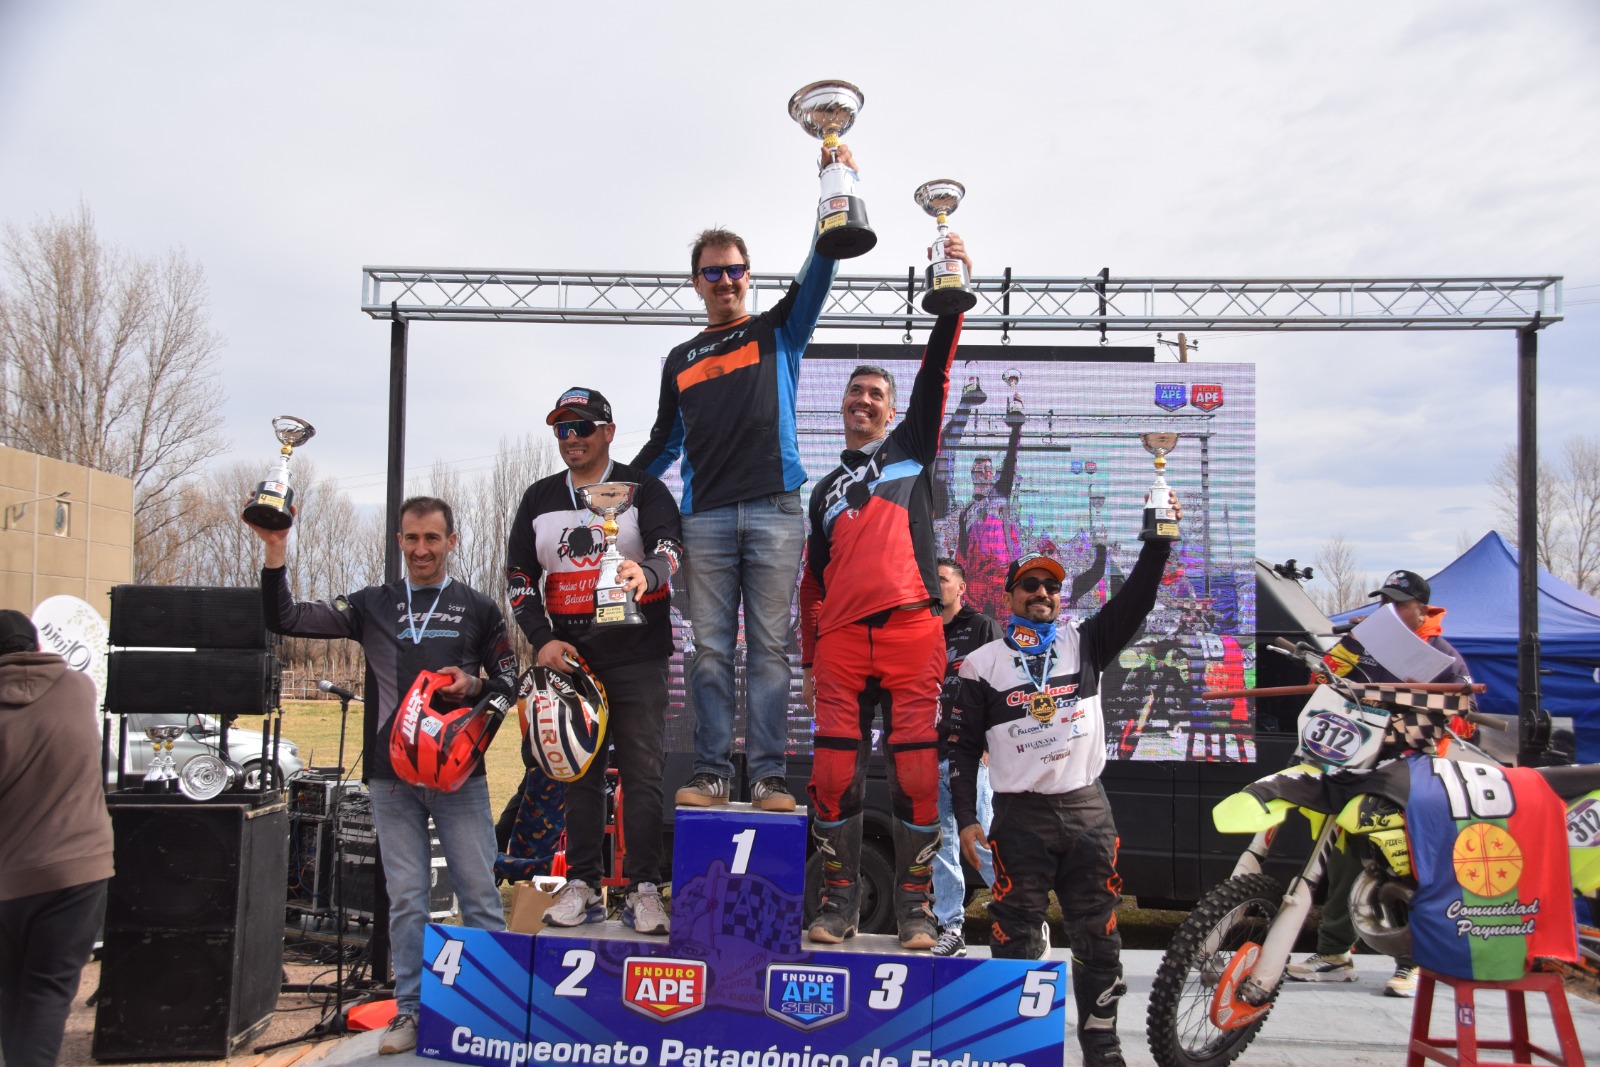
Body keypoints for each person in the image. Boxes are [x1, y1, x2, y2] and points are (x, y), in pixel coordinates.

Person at [249, 496, 518, 1055]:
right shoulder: (373, 603)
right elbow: (285, 618)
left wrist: (472, 685)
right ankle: (410, 1011)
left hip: (458, 778)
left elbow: (511, 680)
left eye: (432, 538)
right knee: (408, 901)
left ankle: (492, 1012)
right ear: (399, 540)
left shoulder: (478, 607)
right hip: (389, 778)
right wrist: (276, 549)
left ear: (452, 541)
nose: (421, 549)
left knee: (478, 896)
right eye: (411, 538)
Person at [632, 144, 856, 813]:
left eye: (734, 270)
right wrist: (613, 490)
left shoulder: (779, 328)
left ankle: (767, 776)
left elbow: (821, 266)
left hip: (774, 510)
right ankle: (711, 772)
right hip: (703, 517)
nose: (725, 280)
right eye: (713, 272)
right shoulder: (680, 358)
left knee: (769, 651)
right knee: (707, 650)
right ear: (696, 282)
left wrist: (834, 181)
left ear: (749, 276)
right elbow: (665, 443)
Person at [951, 522, 1178, 1067]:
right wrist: (964, 818)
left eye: (1051, 586)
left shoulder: (1085, 642)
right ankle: (1016, 1047)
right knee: (1013, 933)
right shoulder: (982, 664)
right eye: (1030, 585)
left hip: (1086, 811)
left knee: (1099, 934)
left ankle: (1102, 1047)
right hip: (1019, 816)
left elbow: (1139, 597)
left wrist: (1159, 540)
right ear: (1009, 596)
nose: (1043, 593)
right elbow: (961, 750)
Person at [798, 234, 971, 950]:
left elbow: (936, 371)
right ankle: (837, 904)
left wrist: (951, 293)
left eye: (876, 394)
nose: (864, 401)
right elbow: (812, 582)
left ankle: (916, 912)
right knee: (832, 773)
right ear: (842, 407)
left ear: (893, 411)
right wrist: (812, 657)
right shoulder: (822, 492)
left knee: (918, 775)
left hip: (909, 630)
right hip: (841, 641)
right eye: (856, 393)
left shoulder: (912, 451)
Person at [506, 386, 682, 935]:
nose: (572, 438)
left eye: (582, 427)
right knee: (576, 772)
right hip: (571, 660)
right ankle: (582, 884)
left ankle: (644, 889)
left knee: (643, 773)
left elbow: (670, 548)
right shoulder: (538, 497)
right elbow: (518, 578)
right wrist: (541, 639)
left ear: (608, 431)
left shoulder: (644, 488)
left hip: (637, 655)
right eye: (562, 429)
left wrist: (645, 573)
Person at [1287, 568, 1475, 998]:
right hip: (1355, 763)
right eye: (1383, 602)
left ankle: (1413, 961)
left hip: (1411, 772)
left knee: (1404, 864)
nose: (1388, 610)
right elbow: (1321, 683)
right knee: (1344, 858)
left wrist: (1404, 714)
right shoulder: (1365, 643)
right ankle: (1334, 955)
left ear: (1422, 609)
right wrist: (1348, 648)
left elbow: (1463, 717)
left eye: (1398, 604)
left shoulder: (1443, 656)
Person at [0, 610, 114, 1067]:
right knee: (46, 994)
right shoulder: (78, 688)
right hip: (76, 868)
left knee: (11, 992)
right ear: (37, 646)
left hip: (8, 875)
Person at [930, 558, 1001, 957]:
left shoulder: (980, 626)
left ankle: (1018, 913)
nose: (936, 584)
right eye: (933, 579)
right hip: (931, 753)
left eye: (943, 579)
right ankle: (951, 926)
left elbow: (1001, 683)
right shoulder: (922, 629)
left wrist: (990, 743)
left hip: (971, 754)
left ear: (961, 588)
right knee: (942, 848)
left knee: (983, 839)